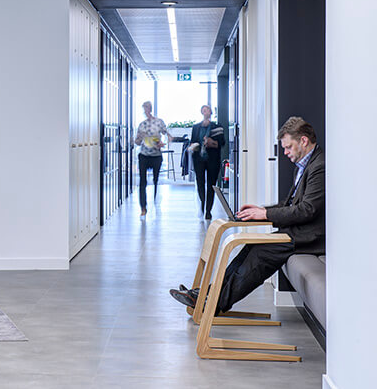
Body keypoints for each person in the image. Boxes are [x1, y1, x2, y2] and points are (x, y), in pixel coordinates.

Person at [169, 117, 324, 313]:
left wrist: (265, 213)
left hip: (311, 238)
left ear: (303, 140)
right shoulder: (305, 165)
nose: (284, 153)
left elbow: (307, 210)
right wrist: (260, 210)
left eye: (288, 147)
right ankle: (208, 294)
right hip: (298, 232)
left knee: (261, 254)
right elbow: (291, 204)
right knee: (251, 245)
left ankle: (213, 303)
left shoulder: (319, 166)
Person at [134, 101, 170, 217]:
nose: (146, 110)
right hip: (144, 155)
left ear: (151, 108)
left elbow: (166, 134)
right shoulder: (142, 125)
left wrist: (163, 143)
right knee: (142, 181)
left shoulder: (159, 122)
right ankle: (143, 207)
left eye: (148, 108)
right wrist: (138, 139)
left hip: (156, 155)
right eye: (144, 108)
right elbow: (138, 142)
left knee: (155, 180)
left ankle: (155, 200)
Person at [190, 105, 226, 220]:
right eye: (203, 110)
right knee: (200, 183)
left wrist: (212, 142)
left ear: (210, 112)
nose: (205, 112)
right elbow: (192, 141)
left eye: (207, 110)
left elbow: (222, 143)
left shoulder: (217, 126)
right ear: (201, 112)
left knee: (211, 185)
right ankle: (202, 204)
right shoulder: (196, 127)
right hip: (198, 159)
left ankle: (208, 210)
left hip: (213, 159)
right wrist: (193, 147)